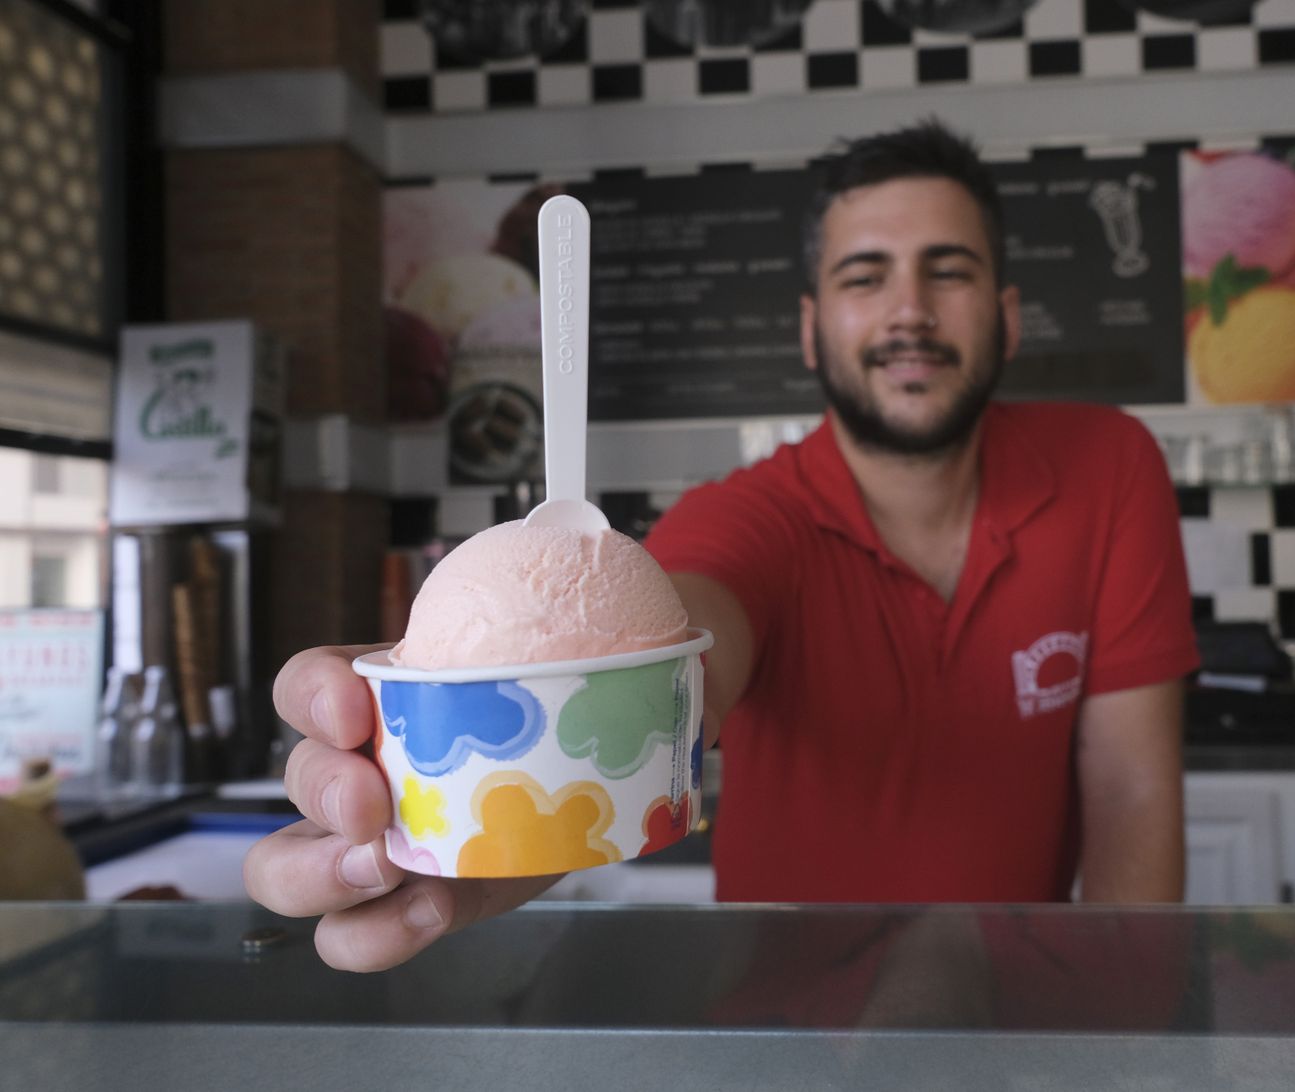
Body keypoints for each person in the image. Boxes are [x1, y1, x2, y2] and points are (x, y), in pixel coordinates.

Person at [245, 119, 1199, 972]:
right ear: (810, 328)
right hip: (794, 1033)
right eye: (865, 276)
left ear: (1009, 313)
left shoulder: (1108, 469)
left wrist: (1119, 1032)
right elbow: (695, 638)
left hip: (1022, 1022)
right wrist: (541, 766)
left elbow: (1129, 794)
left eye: (949, 270)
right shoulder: (749, 518)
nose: (910, 308)